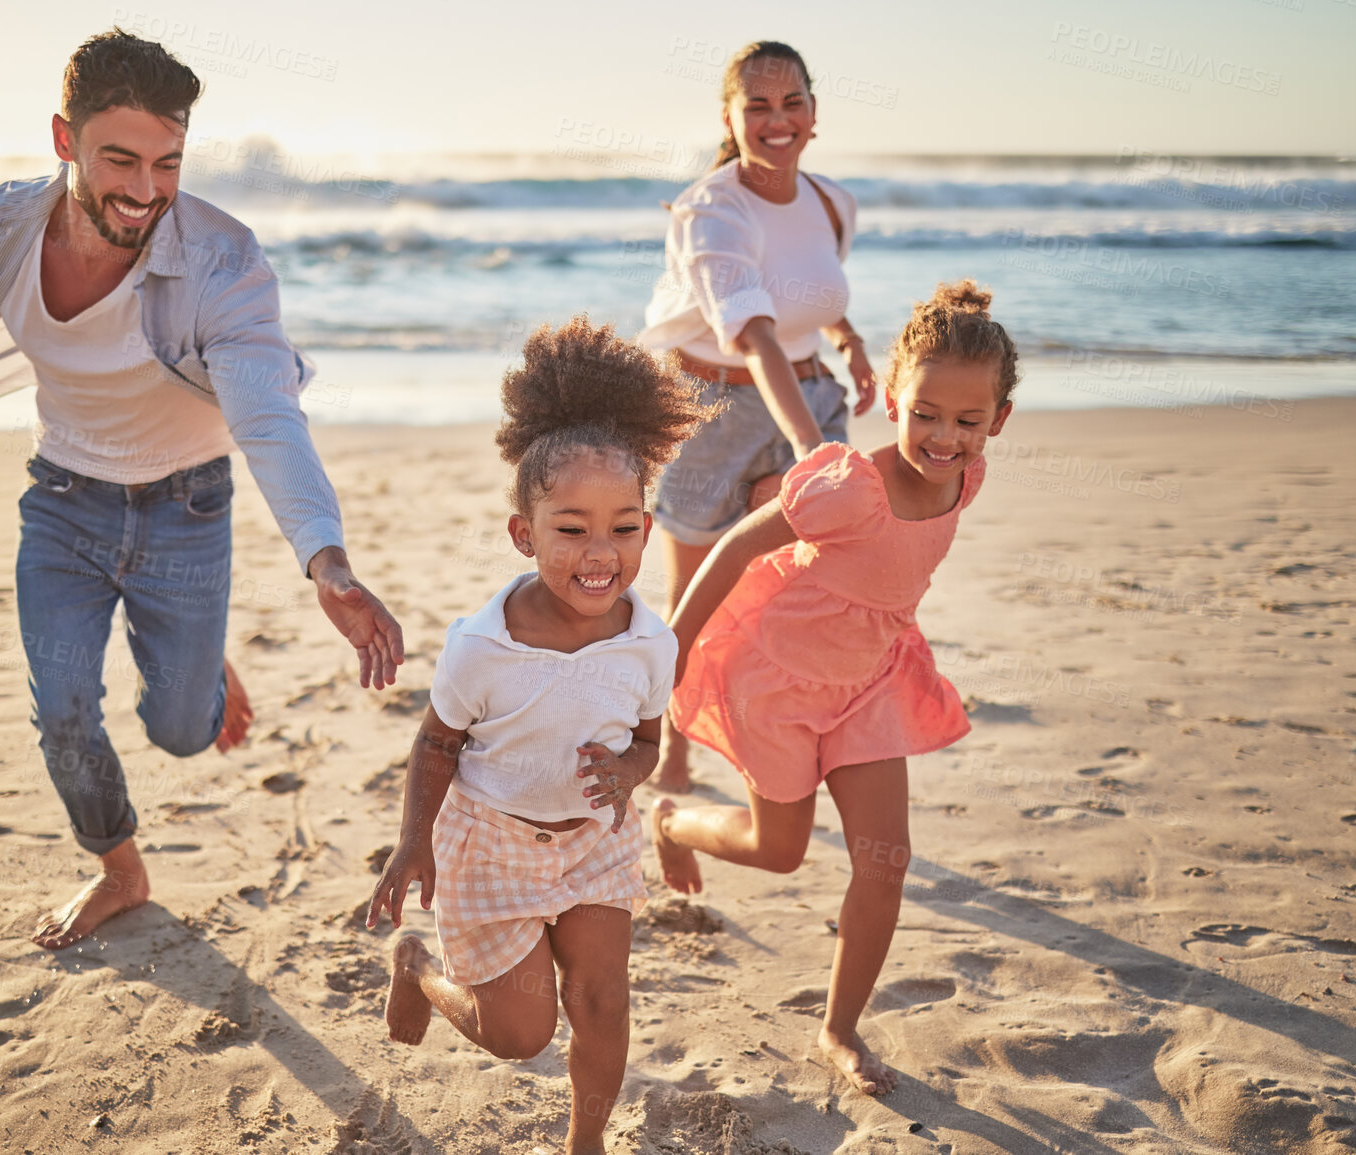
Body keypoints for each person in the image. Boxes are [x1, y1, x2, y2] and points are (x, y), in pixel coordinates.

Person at [0, 30, 404, 950]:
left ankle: (196, 657)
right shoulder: (3, 228)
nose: (145, 191)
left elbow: (267, 414)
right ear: (65, 141)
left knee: (182, 731)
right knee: (60, 707)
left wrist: (326, 561)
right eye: (120, 159)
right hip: (62, 497)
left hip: (187, 508)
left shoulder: (223, 261)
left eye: (168, 163)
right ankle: (119, 867)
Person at [651, 280, 1018, 1096]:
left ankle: (837, 1028)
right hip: (776, 683)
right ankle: (672, 819)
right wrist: (672, 648)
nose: (942, 437)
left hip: (869, 683)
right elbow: (737, 547)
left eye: (966, 421)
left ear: (997, 421)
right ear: (890, 397)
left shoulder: (967, 479)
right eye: (924, 413)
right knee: (778, 851)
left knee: (884, 861)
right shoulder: (847, 482)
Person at [366, 318, 716, 1154]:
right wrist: (414, 842)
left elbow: (647, 735)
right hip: (490, 844)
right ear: (524, 533)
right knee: (519, 1032)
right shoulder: (482, 646)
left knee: (602, 999)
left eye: (625, 527)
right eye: (571, 528)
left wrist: (629, 772)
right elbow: (437, 744)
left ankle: (583, 1143)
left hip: (594, 842)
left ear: (645, 523)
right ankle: (417, 966)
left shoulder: (648, 640)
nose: (601, 553)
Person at [637, 40, 878, 792]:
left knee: (799, 587)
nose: (777, 120)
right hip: (713, 410)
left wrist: (850, 342)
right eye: (757, 106)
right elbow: (755, 332)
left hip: (806, 394)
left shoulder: (833, 200)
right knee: (698, 595)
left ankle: (783, 740)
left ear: (813, 113)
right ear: (729, 118)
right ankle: (671, 746)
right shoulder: (710, 210)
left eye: (791, 102)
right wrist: (810, 450)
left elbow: (810, 294)